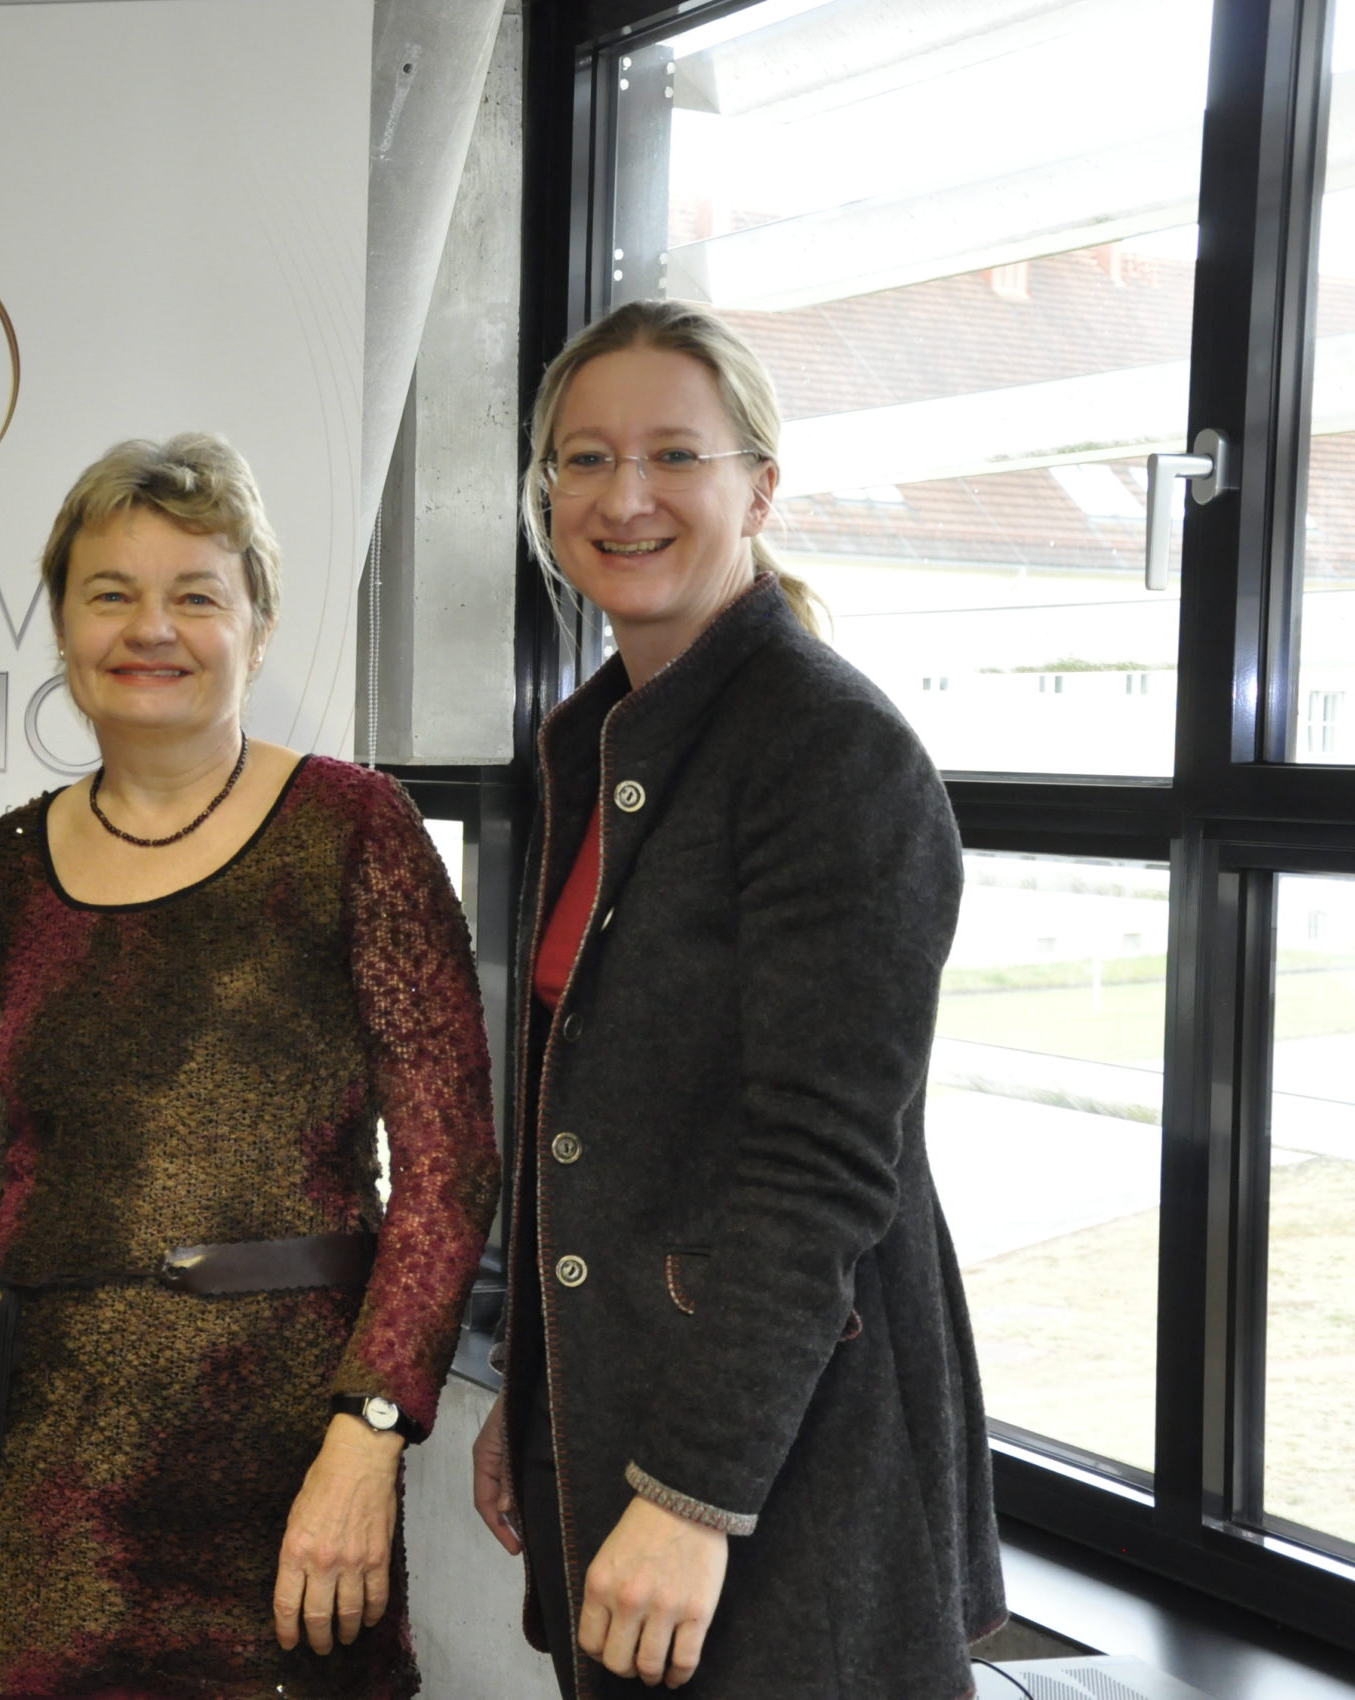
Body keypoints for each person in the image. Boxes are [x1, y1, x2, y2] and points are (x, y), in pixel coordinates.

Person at [0, 433, 500, 1700]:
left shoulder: (353, 829)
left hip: (294, 1479)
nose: (148, 627)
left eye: (195, 594)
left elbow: (450, 1171)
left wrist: (371, 1431)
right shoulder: (0, 870)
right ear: (59, 624)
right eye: (109, 592)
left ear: (258, 629)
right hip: (53, 1491)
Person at [470, 298, 1004, 1697]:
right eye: (582, 460)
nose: (622, 497)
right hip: (625, 1417)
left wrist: (695, 1495)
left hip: (785, 1465)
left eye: (673, 457)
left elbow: (820, 1166)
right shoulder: (593, 744)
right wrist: (529, 1388)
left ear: (760, 486)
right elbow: (579, 1118)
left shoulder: (831, 751)